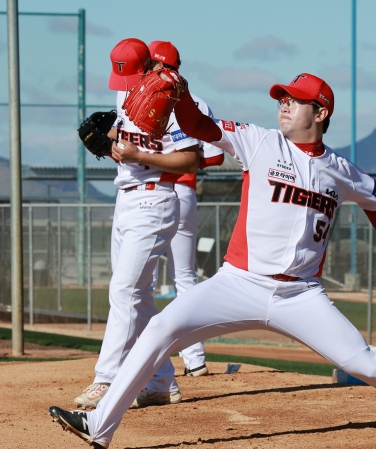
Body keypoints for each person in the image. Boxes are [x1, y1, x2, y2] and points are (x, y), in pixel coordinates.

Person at [50, 72, 376, 448]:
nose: (284, 105)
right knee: (161, 327)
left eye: (295, 100)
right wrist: (180, 97)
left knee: (361, 362)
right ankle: (99, 424)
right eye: (282, 98)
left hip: (301, 295)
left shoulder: (341, 169)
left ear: (321, 113)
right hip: (238, 283)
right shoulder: (259, 141)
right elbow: (200, 126)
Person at [73, 38, 208, 410]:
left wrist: (137, 153)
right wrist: (110, 140)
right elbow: (125, 139)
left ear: (148, 67)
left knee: (124, 290)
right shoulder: (125, 96)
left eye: (130, 76)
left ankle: (107, 378)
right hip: (125, 200)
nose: (125, 86)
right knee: (139, 296)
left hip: (155, 199)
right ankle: (162, 381)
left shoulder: (172, 98)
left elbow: (189, 162)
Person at [147, 41, 224, 377]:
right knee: (185, 279)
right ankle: (195, 361)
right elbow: (217, 156)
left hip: (152, 195)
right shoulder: (197, 102)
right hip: (186, 191)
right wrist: (187, 159)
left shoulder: (143, 97)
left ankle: (145, 360)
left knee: (142, 281)